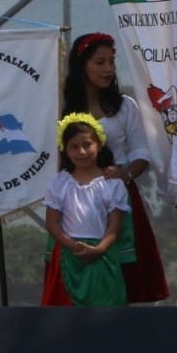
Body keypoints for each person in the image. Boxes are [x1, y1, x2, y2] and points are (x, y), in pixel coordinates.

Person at [61, 32, 167, 301]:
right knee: (81, 276)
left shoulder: (125, 106)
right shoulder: (63, 109)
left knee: (123, 274)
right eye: (100, 62)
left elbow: (142, 152)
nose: (108, 69)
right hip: (77, 203)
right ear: (81, 65)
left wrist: (125, 174)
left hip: (118, 199)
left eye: (111, 62)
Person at [41, 113, 130, 306]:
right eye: (74, 147)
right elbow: (52, 222)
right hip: (69, 255)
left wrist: (99, 249)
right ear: (65, 150)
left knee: (104, 310)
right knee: (67, 313)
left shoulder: (113, 184)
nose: (81, 152)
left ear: (99, 144)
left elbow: (114, 227)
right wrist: (73, 245)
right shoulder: (60, 182)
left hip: (102, 255)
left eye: (87, 145)